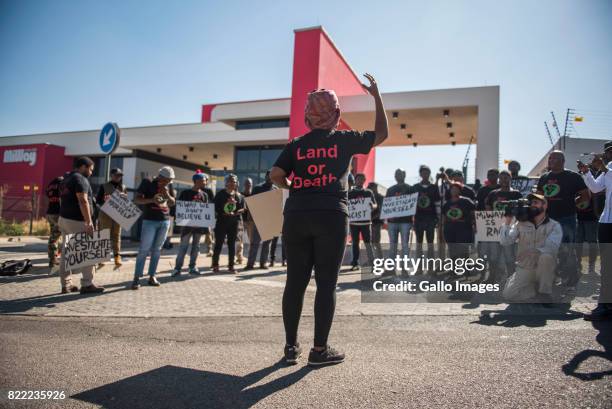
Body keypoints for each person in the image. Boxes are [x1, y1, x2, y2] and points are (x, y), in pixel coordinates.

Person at [270, 74, 387, 366]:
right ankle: (319, 351)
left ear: (308, 116)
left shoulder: (296, 145)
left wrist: (294, 186)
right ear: (336, 114)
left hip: (296, 215)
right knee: (325, 284)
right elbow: (381, 135)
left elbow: (275, 176)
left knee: (294, 283)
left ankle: (290, 348)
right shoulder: (345, 140)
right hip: (331, 216)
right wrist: (377, 97)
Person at [536, 150, 590, 288]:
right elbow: (539, 197)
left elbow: (585, 195)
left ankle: (571, 276)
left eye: (555, 158)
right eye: (550, 158)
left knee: (566, 249)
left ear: (562, 161)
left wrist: (575, 204)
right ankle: (555, 276)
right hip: (548, 219)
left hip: (567, 218)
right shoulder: (544, 178)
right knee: (550, 249)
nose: (551, 161)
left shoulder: (573, 176)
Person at [501, 193, 563, 306]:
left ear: (544, 206)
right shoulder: (520, 223)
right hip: (526, 266)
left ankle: (545, 292)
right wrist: (507, 221)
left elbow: (552, 247)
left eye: (536, 202)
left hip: (543, 267)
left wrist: (534, 251)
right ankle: (534, 290)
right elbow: (505, 241)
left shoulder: (554, 225)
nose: (532, 205)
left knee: (546, 257)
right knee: (508, 295)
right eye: (530, 203)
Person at [58, 157, 105, 294]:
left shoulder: (67, 178)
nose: (91, 172)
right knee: (89, 252)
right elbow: (83, 200)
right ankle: (87, 284)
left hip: (65, 219)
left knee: (66, 253)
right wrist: (89, 222)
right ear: (83, 166)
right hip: (78, 221)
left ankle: (66, 285)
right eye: (90, 169)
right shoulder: (80, 179)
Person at [578, 141, 612, 321]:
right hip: (606, 220)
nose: (608, 154)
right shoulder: (610, 167)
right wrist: (586, 172)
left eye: (610, 151)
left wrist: (605, 169)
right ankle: (605, 305)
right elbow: (596, 188)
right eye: (607, 151)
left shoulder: (609, 169)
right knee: (607, 265)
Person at [132, 166, 176, 289]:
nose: (167, 182)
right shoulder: (147, 182)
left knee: (157, 250)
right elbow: (136, 199)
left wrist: (166, 193)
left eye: (169, 181)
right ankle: (137, 277)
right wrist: (152, 200)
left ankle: (152, 276)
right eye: (166, 180)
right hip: (149, 220)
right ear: (160, 176)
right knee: (144, 250)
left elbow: (172, 203)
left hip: (165, 221)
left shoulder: (169, 186)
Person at [485, 170, 523, 281]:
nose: (503, 180)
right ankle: (492, 277)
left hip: (510, 229)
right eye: (501, 178)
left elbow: (520, 211)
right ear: (498, 180)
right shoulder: (493, 194)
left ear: (510, 179)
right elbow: (488, 210)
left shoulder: (516, 193)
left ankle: (511, 278)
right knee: (493, 255)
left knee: (509, 256)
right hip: (494, 229)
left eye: (506, 177)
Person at [172, 170, 210, 276]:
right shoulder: (185, 193)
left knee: (196, 247)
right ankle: (177, 268)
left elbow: (205, 210)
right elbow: (179, 209)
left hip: (198, 227)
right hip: (187, 226)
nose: (205, 182)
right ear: (197, 181)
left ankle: (192, 267)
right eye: (203, 180)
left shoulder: (205, 195)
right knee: (183, 246)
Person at [212, 174, 245, 273]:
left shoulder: (239, 196)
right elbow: (214, 207)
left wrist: (235, 213)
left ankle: (231, 266)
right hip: (221, 223)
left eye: (234, 181)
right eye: (230, 181)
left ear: (236, 183)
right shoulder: (220, 194)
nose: (232, 183)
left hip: (233, 224)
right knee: (218, 244)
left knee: (232, 246)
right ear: (226, 182)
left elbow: (243, 208)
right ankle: (215, 265)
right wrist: (224, 212)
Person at [245, 171, 277, 270]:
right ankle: (250, 264)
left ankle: (263, 264)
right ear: (266, 176)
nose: (271, 178)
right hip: (259, 219)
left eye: (273, 176)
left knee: (267, 243)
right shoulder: (257, 188)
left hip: (270, 220)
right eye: (269, 176)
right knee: (255, 242)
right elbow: (252, 204)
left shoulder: (276, 189)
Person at [96, 168, 127, 268]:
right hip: (105, 215)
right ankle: (102, 258)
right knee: (104, 235)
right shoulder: (103, 186)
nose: (119, 177)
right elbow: (98, 201)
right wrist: (107, 201)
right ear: (111, 175)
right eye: (117, 175)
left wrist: (124, 197)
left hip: (117, 215)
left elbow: (126, 203)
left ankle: (117, 257)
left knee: (116, 236)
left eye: (120, 175)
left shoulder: (123, 187)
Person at [413, 165, 441, 268]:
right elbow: (410, 203)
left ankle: (430, 267)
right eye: (423, 173)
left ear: (429, 174)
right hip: (419, 219)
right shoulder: (415, 187)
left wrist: (438, 218)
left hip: (430, 219)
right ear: (420, 174)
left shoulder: (434, 187)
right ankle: (419, 267)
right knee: (419, 244)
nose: (425, 174)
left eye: (427, 173)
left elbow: (437, 203)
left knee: (430, 244)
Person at [386, 168, 413, 274]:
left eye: (399, 174)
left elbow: (413, 204)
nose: (397, 176)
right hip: (392, 222)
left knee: (405, 246)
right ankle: (391, 269)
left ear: (404, 175)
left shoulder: (410, 188)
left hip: (405, 222)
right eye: (396, 174)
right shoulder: (390, 189)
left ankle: (404, 268)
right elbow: (387, 205)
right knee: (392, 245)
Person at [441, 182, 475, 266]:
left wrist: (474, 224)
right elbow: (443, 218)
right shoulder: (446, 204)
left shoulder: (466, 201)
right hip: (450, 230)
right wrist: (442, 229)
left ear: (460, 191)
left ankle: (466, 270)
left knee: (464, 250)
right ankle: (453, 270)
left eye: (456, 189)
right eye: (452, 189)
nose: (454, 191)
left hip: (464, 229)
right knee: (452, 250)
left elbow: (473, 214)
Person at [348, 173, 377, 270]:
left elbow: (375, 204)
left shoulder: (368, 192)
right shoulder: (350, 193)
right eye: (358, 179)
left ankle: (372, 263)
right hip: (354, 223)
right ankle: (355, 263)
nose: (360, 181)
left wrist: (372, 206)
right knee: (355, 243)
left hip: (366, 223)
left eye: (362, 179)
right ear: (355, 181)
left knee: (368, 243)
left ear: (364, 180)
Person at [45, 175, 64, 268]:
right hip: (57, 214)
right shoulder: (61, 184)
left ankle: (54, 257)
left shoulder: (50, 185)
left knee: (54, 236)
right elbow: (61, 198)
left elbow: (47, 195)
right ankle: (53, 260)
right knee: (55, 238)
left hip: (50, 213)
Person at [235, 178, 252, 265]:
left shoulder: (254, 195)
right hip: (241, 220)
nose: (248, 185)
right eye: (246, 184)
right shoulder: (240, 195)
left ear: (251, 185)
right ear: (244, 185)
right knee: (239, 240)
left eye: (249, 184)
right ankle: (239, 258)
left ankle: (250, 258)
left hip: (251, 221)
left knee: (251, 241)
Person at [367, 182, 384, 259]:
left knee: (376, 242)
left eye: (371, 187)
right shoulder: (369, 197)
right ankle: (372, 259)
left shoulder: (380, 197)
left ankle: (380, 259)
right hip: (369, 222)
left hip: (377, 222)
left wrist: (372, 218)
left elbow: (381, 211)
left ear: (376, 187)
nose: (370, 189)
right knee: (370, 242)